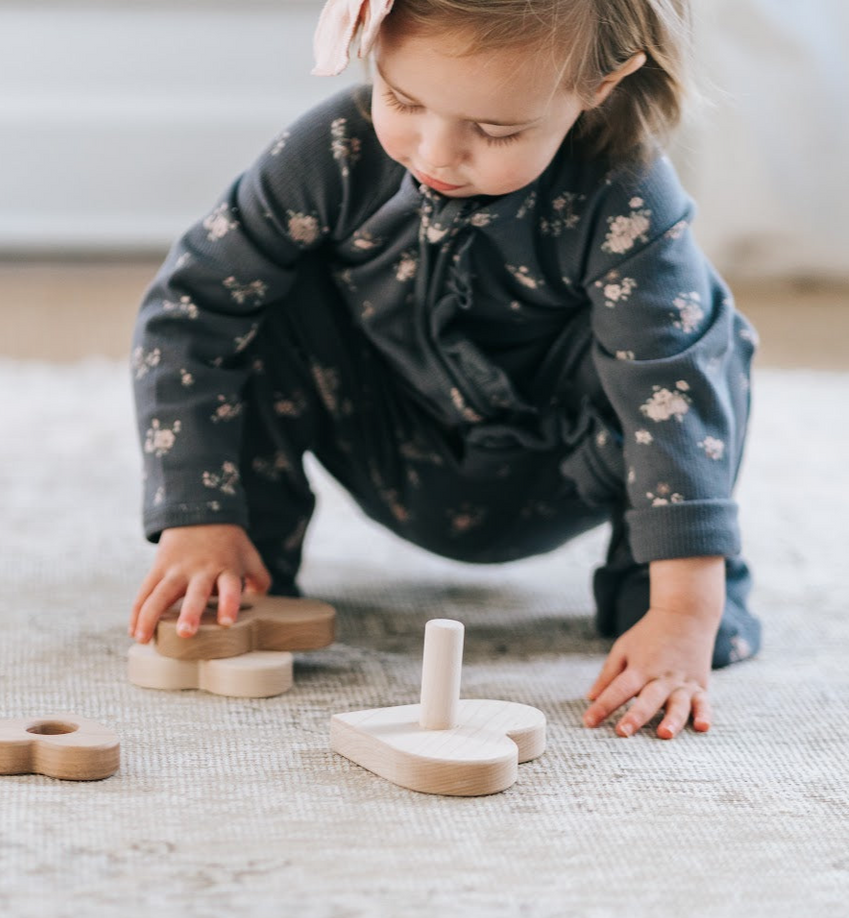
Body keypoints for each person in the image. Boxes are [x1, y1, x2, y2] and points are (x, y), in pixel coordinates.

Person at [128, 0, 761, 740]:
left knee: (697, 336)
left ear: (602, 84)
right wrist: (198, 515)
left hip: (566, 461)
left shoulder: (627, 195)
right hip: (384, 436)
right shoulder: (332, 151)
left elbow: (672, 392)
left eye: (495, 130)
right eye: (403, 99)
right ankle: (239, 567)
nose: (434, 152)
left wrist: (686, 613)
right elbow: (190, 310)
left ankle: (656, 593)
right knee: (251, 302)